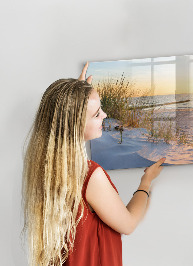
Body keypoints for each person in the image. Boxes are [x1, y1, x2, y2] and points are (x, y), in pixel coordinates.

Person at [22, 63, 166, 266]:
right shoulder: (90, 176)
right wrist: (146, 182)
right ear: (75, 124)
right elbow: (128, 223)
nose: (105, 116)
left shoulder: (44, 167)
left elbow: (66, 117)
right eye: (97, 114)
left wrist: (77, 95)